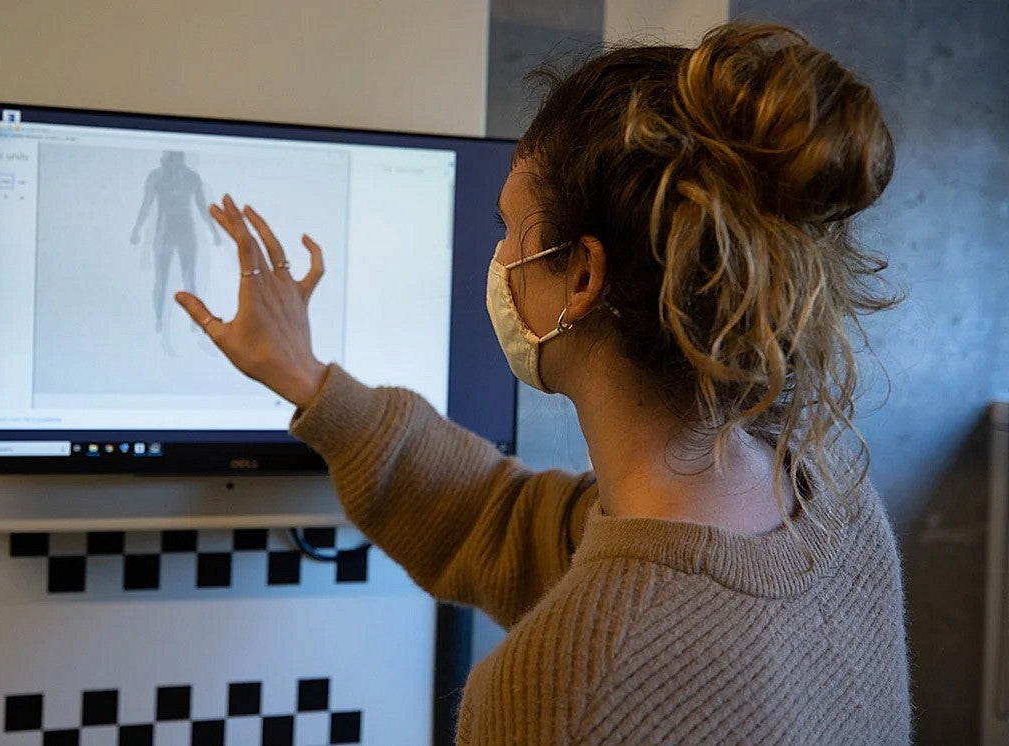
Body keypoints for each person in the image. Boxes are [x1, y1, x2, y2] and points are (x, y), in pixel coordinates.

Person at [175, 22, 911, 744]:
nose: (496, 260)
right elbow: (498, 521)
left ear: (582, 276)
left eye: (507, 229)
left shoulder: (569, 685)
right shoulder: (828, 502)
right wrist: (306, 379)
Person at [130, 150, 223, 334]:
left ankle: (195, 322)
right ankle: (158, 321)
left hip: (184, 231)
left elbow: (202, 207)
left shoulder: (191, 178)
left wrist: (214, 232)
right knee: (161, 280)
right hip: (165, 231)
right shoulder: (157, 176)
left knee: (190, 280)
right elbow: (146, 204)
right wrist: (137, 230)